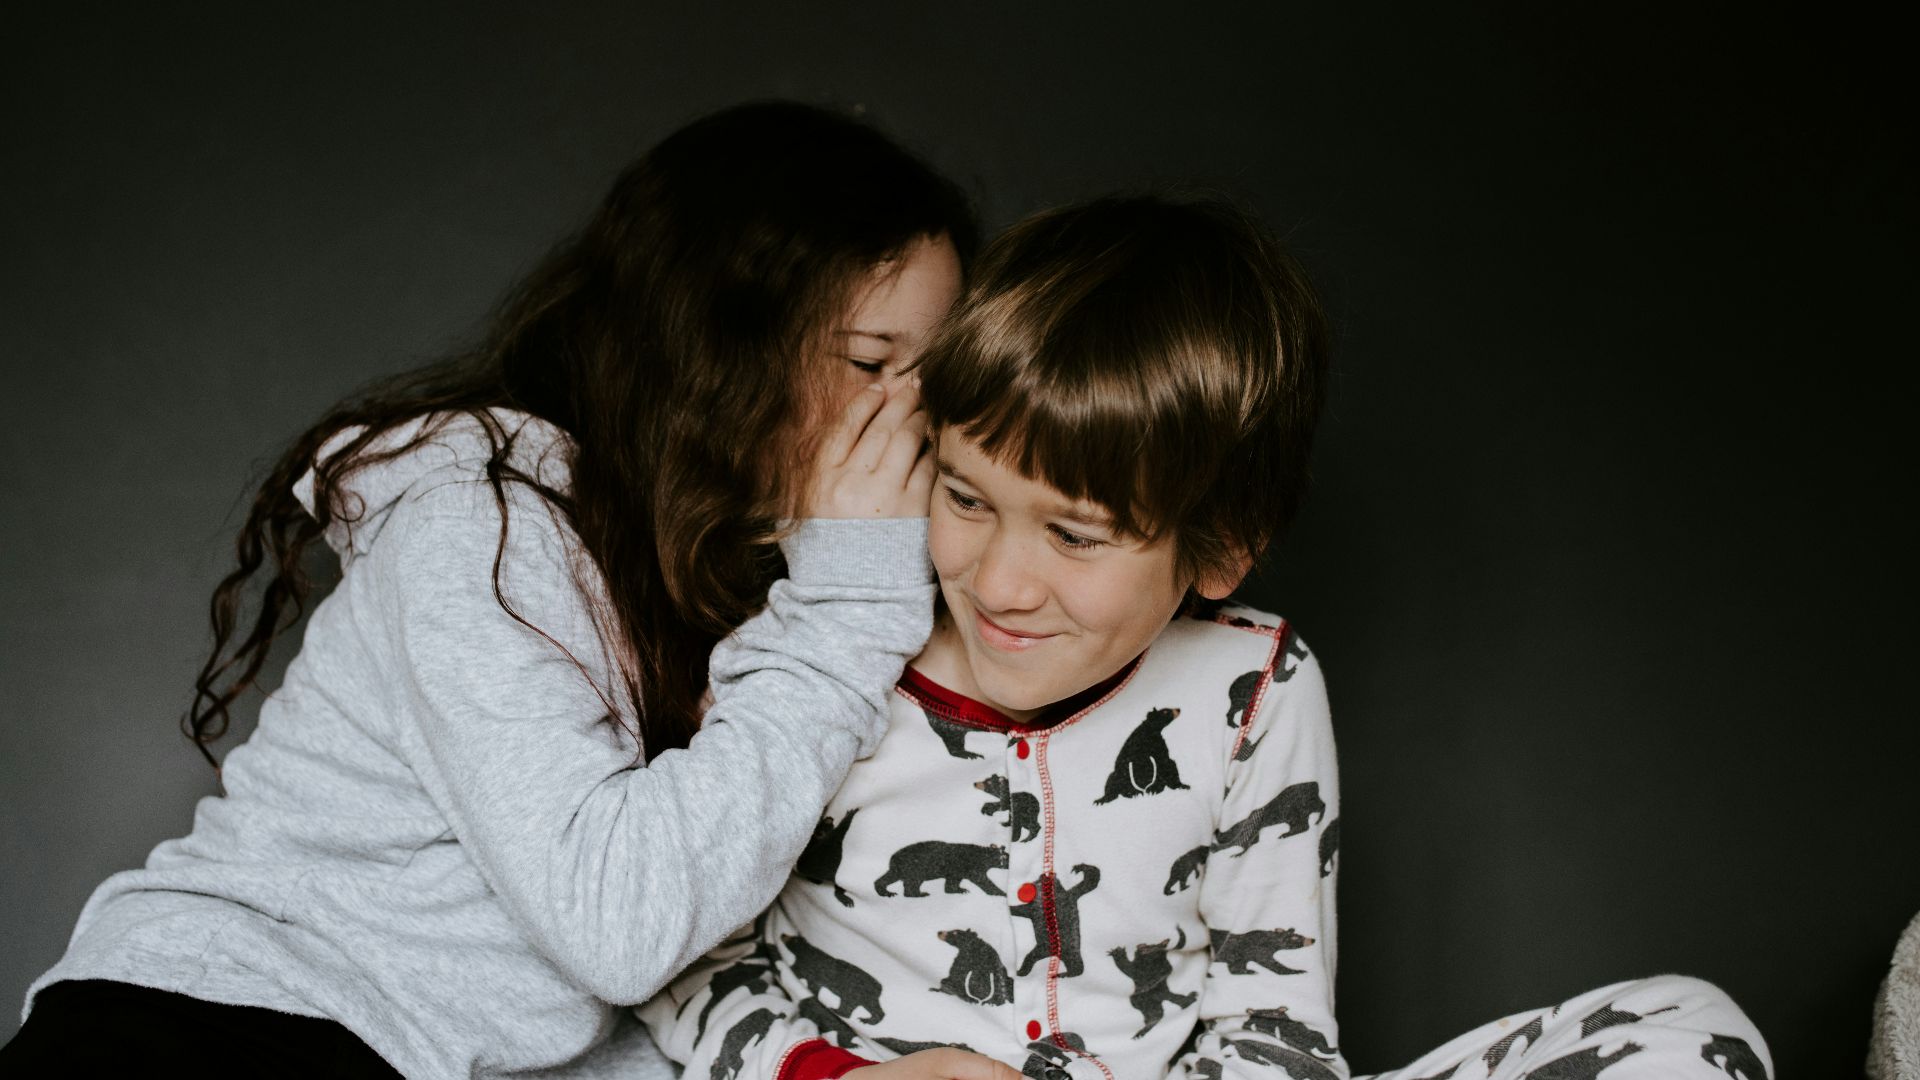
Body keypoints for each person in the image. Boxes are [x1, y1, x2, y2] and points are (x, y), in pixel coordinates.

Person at [637, 195, 1776, 1079]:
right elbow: (675, 960)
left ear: (1218, 548)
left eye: (1076, 535)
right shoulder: (821, 657)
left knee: (1693, 1031)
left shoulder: (1256, 685)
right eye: (967, 498)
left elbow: (1273, 1024)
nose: (1000, 580)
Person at [2, 101, 1021, 1080]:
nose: (908, 419)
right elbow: (619, 925)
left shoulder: (765, 582)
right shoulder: (476, 521)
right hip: (225, 1030)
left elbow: (634, 982)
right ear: (715, 352)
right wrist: (850, 602)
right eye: (868, 361)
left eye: (935, 377)